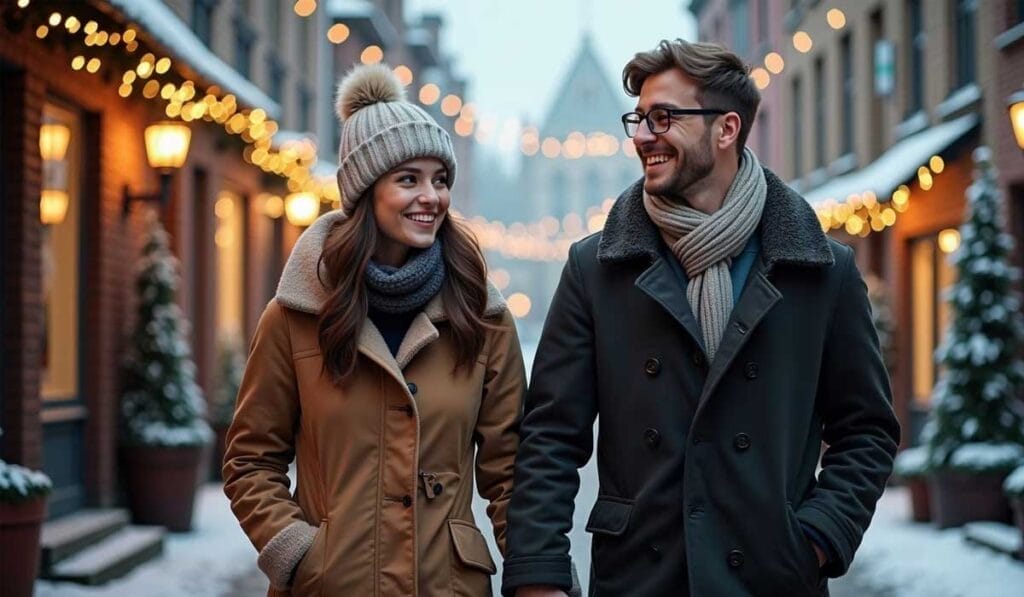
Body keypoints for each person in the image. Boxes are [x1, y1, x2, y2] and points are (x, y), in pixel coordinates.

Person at [502, 39, 900, 596]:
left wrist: (816, 537)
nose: (642, 136)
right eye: (638, 119)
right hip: (641, 575)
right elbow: (549, 436)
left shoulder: (819, 270)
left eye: (663, 117)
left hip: (770, 577)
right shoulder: (596, 268)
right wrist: (538, 576)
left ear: (727, 129)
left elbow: (867, 429)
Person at [223, 63, 525, 596]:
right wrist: (298, 552)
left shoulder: (481, 315)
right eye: (408, 179)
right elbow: (251, 460)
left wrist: (536, 573)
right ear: (365, 191)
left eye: (440, 180)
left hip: (446, 585)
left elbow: (513, 470)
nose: (430, 196)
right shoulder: (296, 315)